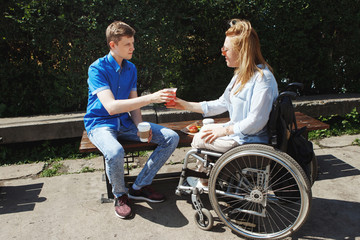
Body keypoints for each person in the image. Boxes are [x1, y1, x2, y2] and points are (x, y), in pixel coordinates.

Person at [84, 21, 179, 219]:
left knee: (171, 137)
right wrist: (152, 97)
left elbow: (134, 103)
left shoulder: (131, 68)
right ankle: (120, 195)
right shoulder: (97, 69)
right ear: (113, 45)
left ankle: (139, 186)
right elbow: (110, 107)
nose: (132, 48)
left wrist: (139, 126)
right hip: (100, 123)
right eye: (128, 44)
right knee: (115, 151)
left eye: (133, 43)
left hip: (125, 123)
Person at [168, 19, 278, 153]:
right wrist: (184, 105)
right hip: (240, 137)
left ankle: (204, 171)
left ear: (241, 51)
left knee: (199, 138)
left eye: (226, 49)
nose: (222, 53)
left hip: (249, 142)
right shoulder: (240, 76)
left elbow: (256, 121)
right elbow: (222, 103)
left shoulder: (262, 78)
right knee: (205, 130)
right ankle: (208, 171)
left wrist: (224, 131)